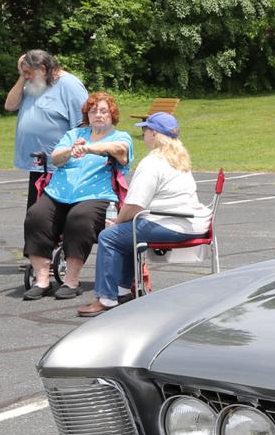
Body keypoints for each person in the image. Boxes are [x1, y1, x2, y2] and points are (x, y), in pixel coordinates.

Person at [78, 112, 210, 318]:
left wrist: (117, 222)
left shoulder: (152, 163)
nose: (143, 134)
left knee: (110, 236)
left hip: (169, 224)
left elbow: (134, 205)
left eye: (145, 130)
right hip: (192, 222)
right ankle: (122, 291)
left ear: (155, 134)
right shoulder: (179, 159)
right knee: (127, 234)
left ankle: (106, 298)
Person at [22, 92, 133, 300]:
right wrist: (70, 151)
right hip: (58, 193)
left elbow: (120, 150)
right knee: (36, 215)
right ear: (87, 115)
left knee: (79, 218)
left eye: (103, 111)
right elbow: (55, 157)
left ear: (112, 115)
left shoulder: (120, 136)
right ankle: (42, 280)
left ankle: (71, 281)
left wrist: (90, 148)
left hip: (96, 195)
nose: (98, 115)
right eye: (93, 111)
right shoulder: (73, 134)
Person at [4, 50, 89, 209]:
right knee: (35, 218)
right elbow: (9, 105)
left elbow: (84, 124)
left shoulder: (69, 85)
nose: (27, 76)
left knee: (49, 219)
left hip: (59, 168)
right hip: (38, 166)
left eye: (29, 73)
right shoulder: (35, 84)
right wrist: (23, 76)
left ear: (43, 69)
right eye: (24, 73)